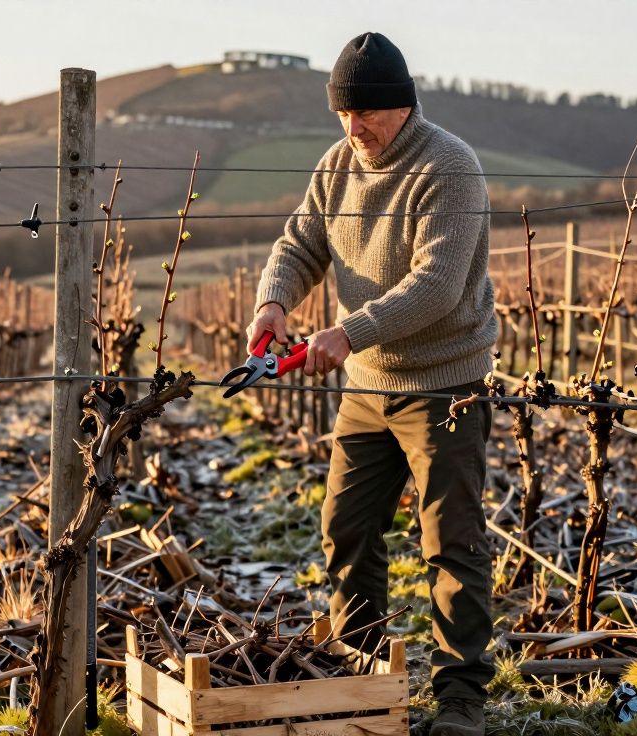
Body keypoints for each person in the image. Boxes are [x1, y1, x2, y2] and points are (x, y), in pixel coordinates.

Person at [246, 31, 499, 736]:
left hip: (444, 384)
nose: (353, 128)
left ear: (403, 107)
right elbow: (301, 242)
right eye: (343, 115)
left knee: (451, 540)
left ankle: (460, 701)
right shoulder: (337, 164)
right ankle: (362, 676)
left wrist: (346, 333)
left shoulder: (450, 167)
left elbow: (438, 287)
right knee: (346, 529)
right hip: (368, 387)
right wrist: (274, 300)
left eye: (366, 116)